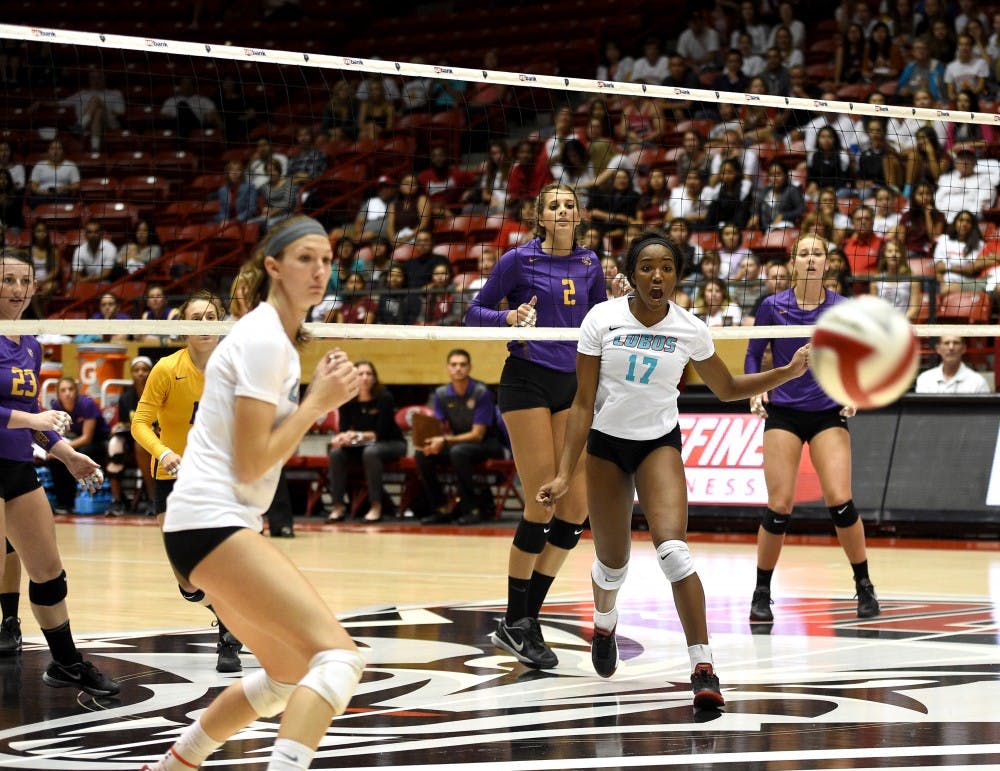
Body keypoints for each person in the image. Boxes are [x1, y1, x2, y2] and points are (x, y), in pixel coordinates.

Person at [536, 233, 809, 706]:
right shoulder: (601, 319)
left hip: (657, 443)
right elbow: (582, 404)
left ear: (677, 275)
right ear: (631, 274)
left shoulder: (690, 328)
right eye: (646, 267)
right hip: (606, 445)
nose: (656, 275)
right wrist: (564, 474)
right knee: (612, 563)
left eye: (666, 267)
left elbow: (726, 389)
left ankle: (703, 666)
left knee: (674, 551)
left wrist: (785, 373)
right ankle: (604, 625)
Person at [143, 216, 364, 771]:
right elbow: (249, 463)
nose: (319, 270)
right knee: (337, 659)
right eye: (305, 259)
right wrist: (316, 405)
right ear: (273, 267)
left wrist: (314, 398)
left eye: (326, 259)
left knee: (286, 677)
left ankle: (172, 766)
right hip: (213, 522)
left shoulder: (277, 343)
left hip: (204, 526)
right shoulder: (265, 339)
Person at [466, 183, 606, 668]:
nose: (563, 210)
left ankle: (523, 618)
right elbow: (472, 312)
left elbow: (603, 320)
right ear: (541, 217)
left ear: (579, 215)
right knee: (542, 500)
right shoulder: (517, 261)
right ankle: (517, 619)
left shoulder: (591, 264)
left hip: (573, 383)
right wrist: (509, 315)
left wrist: (626, 306)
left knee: (574, 511)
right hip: (526, 380)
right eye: (553, 205)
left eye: (569, 204)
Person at [0, 249, 119, 695]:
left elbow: (32, 411)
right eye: (7, 280)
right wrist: (33, 422)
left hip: (15, 465)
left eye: (23, 281)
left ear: (34, 288)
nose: (16, 290)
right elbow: (28, 417)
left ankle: (66, 664)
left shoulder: (31, 343)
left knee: (49, 571)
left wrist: (67, 454)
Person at [746, 233, 881, 623]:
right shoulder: (772, 306)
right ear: (792, 262)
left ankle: (864, 585)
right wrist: (756, 391)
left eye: (816, 254)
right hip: (784, 412)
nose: (809, 260)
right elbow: (754, 354)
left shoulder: (842, 307)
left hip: (826, 411)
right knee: (779, 507)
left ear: (827, 262)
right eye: (802, 253)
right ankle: (761, 591)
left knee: (841, 501)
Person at [131, 290, 245, 672]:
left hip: (218, 477)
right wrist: (163, 451)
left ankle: (229, 634)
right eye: (195, 318)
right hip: (172, 476)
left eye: (211, 317)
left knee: (221, 561)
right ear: (181, 326)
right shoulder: (166, 368)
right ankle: (232, 613)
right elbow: (140, 422)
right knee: (188, 582)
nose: (204, 325)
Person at [415, 349, 507, 525]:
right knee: (422, 454)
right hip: (459, 444)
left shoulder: (481, 392)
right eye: (454, 365)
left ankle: (472, 509)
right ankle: (440, 508)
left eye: (462, 365)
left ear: (469, 367)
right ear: (447, 368)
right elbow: (439, 428)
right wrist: (431, 442)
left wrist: (445, 440)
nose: (458, 368)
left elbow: (477, 435)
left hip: (488, 445)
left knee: (459, 452)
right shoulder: (441, 394)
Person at [325, 360, 406, 523]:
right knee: (336, 453)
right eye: (360, 374)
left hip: (391, 443)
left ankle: (376, 506)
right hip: (363, 443)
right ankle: (338, 507)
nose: (364, 378)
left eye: (369, 374)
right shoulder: (347, 398)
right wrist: (342, 438)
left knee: (371, 452)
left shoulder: (384, 397)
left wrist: (356, 435)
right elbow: (344, 428)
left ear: (375, 378)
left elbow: (380, 433)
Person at [46, 377, 110, 514]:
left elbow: (87, 438)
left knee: (81, 452)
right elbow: (56, 434)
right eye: (63, 390)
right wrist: (54, 450)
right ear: (58, 394)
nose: (67, 393)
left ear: (77, 391)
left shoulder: (87, 404)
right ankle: (64, 503)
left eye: (70, 389)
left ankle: (83, 498)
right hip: (73, 441)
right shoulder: (56, 407)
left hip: (97, 442)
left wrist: (66, 450)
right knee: (55, 458)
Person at [105, 356, 154, 517]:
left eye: (144, 369)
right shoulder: (126, 398)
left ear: (151, 372)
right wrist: (119, 426)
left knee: (141, 445)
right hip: (132, 441)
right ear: (132, 374)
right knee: (114, 444)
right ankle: (118, 501)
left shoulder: (159, 392)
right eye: (136, 370)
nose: (140, 373)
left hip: (156, 441)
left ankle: (153, 499)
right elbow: (124, 423)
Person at [915, 335, 991, 394]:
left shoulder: (978, 382)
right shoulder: (925, 379)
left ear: (964, 348)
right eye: (946, 343)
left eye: (956, 343)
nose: (951, 347)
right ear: (938, 349)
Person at [27, 139, 79, 208]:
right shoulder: (39, 165)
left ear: (63, 151)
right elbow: (33, 186)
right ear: (48, 151)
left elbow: (77, 185)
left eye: (59, 149)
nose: (55, 152)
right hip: (41, 196)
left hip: (63, 196)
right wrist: (42, 192)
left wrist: (66, 187)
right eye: (52, 148)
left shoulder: (71, 165)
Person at [71, 219, 117, 283]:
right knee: (70, 286)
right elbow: (75, 273)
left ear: (101, 233)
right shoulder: (79, 250)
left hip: (106, 281)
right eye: (90, 232)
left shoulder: (110, 248)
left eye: (96, 232)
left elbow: (106, 273)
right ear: (85, 235)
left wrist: (86, 280)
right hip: (87, 282)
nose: (93, 235)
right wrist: (76, 278)